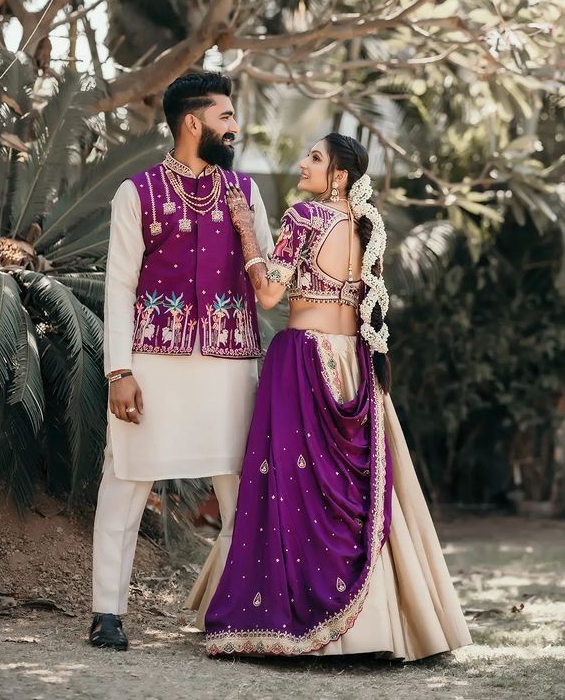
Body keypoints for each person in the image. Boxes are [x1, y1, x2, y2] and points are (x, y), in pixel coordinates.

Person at [194, 133, 472, 659]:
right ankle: (379, 629)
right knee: (359, 495)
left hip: (302, 362)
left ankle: (295, 621)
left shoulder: (305, 218)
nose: (303, 164)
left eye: (315, 158)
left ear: (338, 175)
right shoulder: (368, 229)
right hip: (353, 365)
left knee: (292, 491)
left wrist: (246, 230)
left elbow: (271, 293)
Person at [89, 72, 273, 650]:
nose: (235, 128)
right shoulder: (135, 193)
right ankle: (107, 612)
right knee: (125, 481)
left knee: (240, 488)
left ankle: (247, 611)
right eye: (225, 117)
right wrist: (119, 371)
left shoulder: (247, 194)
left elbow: (269, 275)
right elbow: (118, 287)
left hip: (229, 363)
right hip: (150, 366)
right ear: (193, 123)